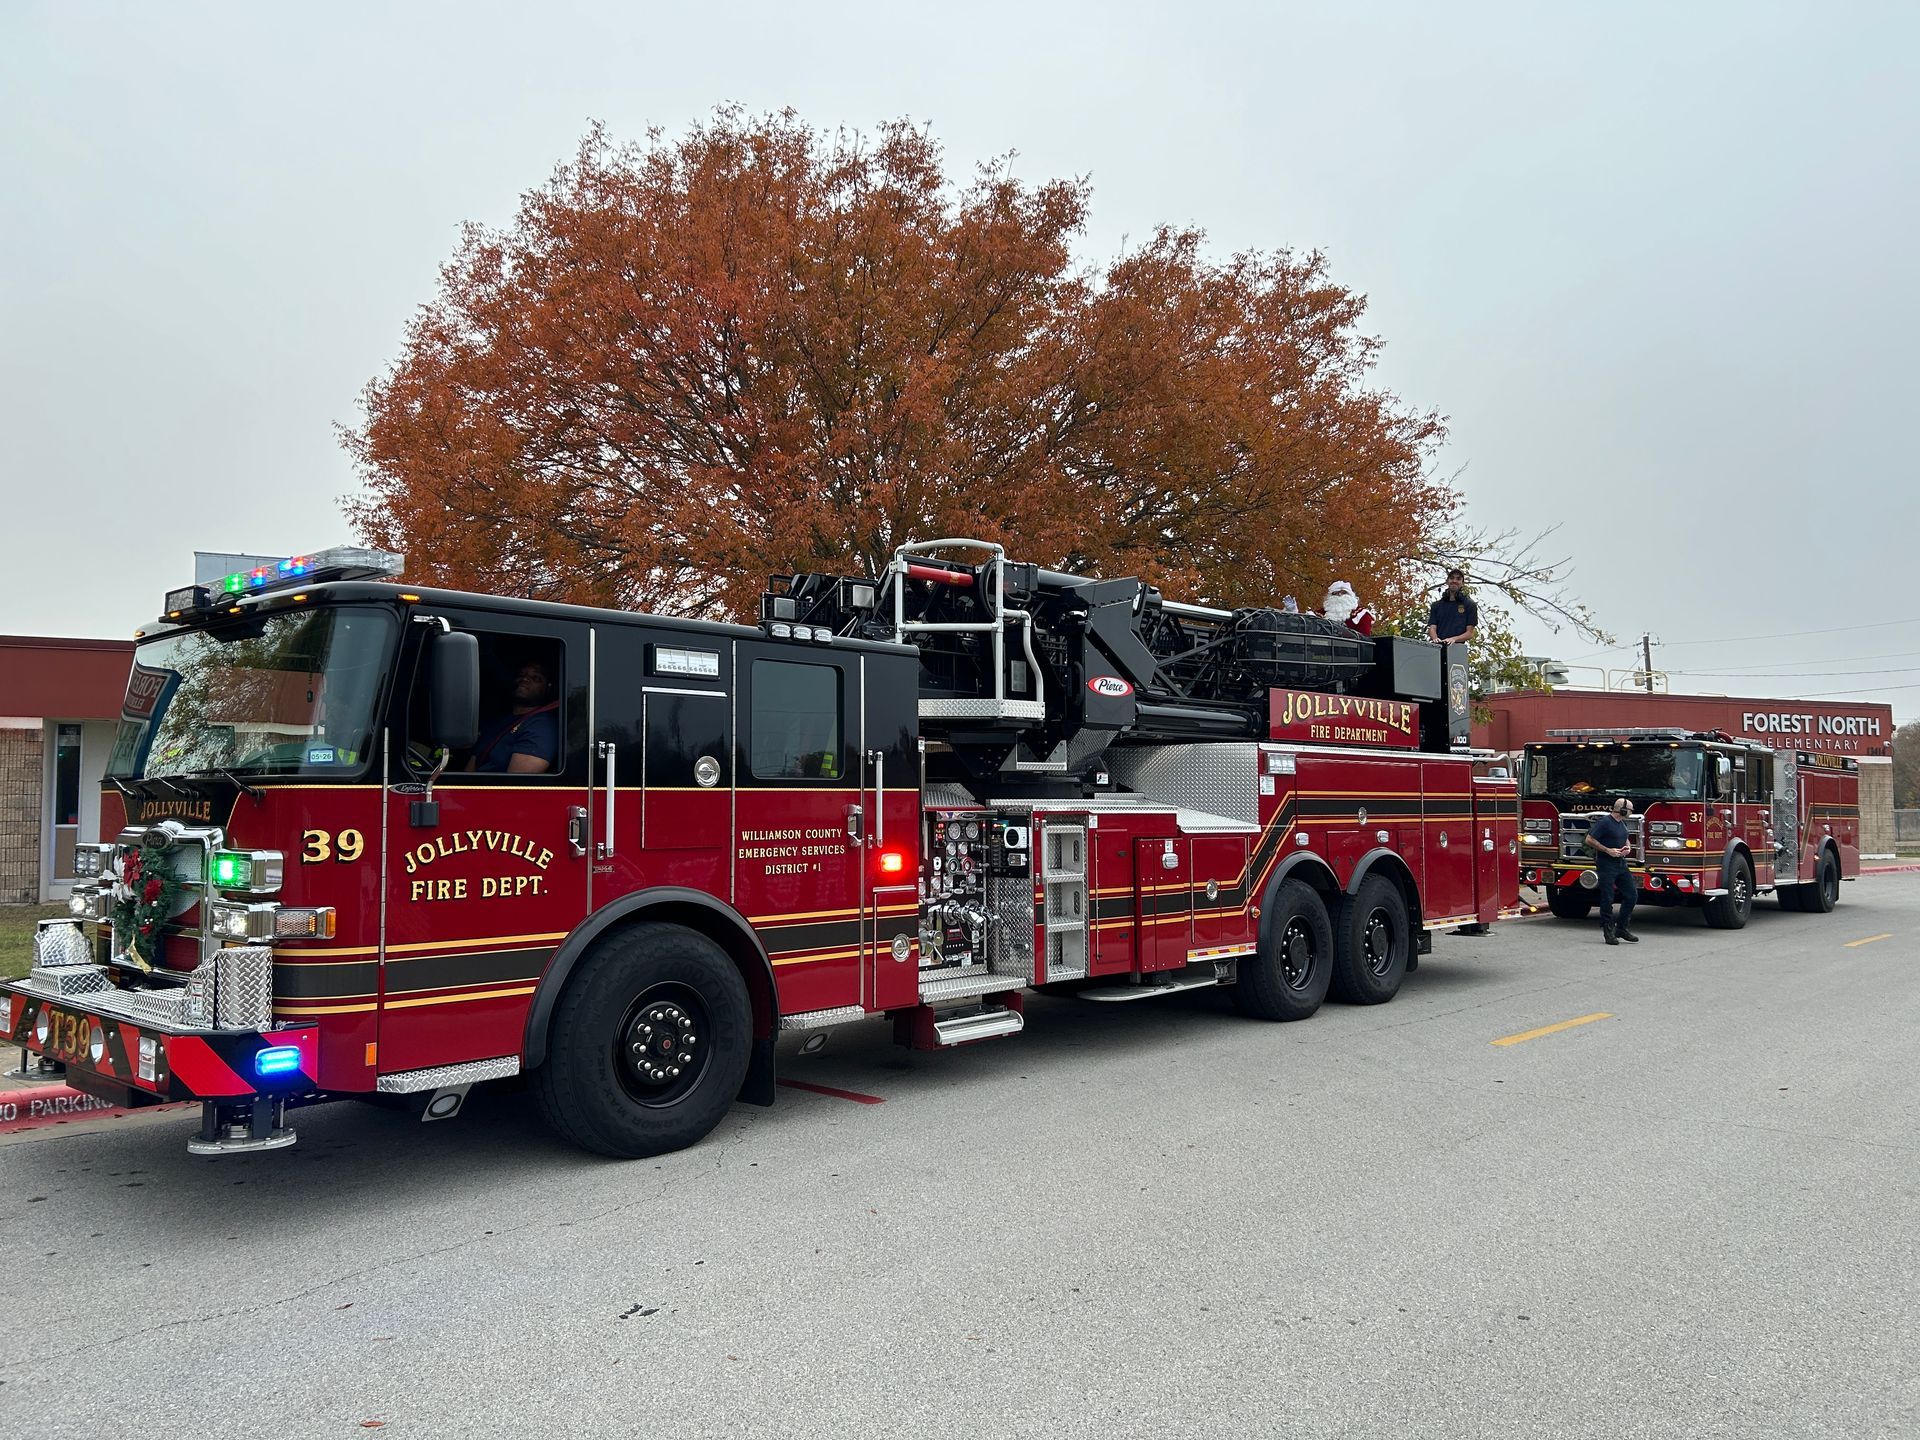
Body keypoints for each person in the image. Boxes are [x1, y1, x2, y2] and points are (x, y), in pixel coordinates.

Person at [467, 659, 560, 774]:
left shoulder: (542, 726)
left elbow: (516, 784)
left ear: (548, 688)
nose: (525, 679)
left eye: (536, 678)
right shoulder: (496, 721)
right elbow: (472, 767)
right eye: (521, 674)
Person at [1585, 797, 1640, 946]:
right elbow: (1589, 839)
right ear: (1622, 810)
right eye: (1630, 810)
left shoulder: (1621, 823)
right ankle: (1608, 930)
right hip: (1606, 864)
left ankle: (1622, 928)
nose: (1631, 812)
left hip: (1621, 864)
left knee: (1632, 895)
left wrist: (1627, 847)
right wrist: (1607, 850)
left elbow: (1625, 838)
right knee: (1607, 897)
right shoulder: (1605, 823)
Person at [1425, 568, 1478, 645]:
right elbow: (1432, 628)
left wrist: (1454, 639)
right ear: (1447, 581)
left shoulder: (1469, 605)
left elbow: (1469, 633)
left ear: (1462, 583)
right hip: (1437, 647)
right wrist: (1435, 639)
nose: (1454, 581)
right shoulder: (1436, 605)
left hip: (1457, 649)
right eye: (1451, 578)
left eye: (1458, 579)